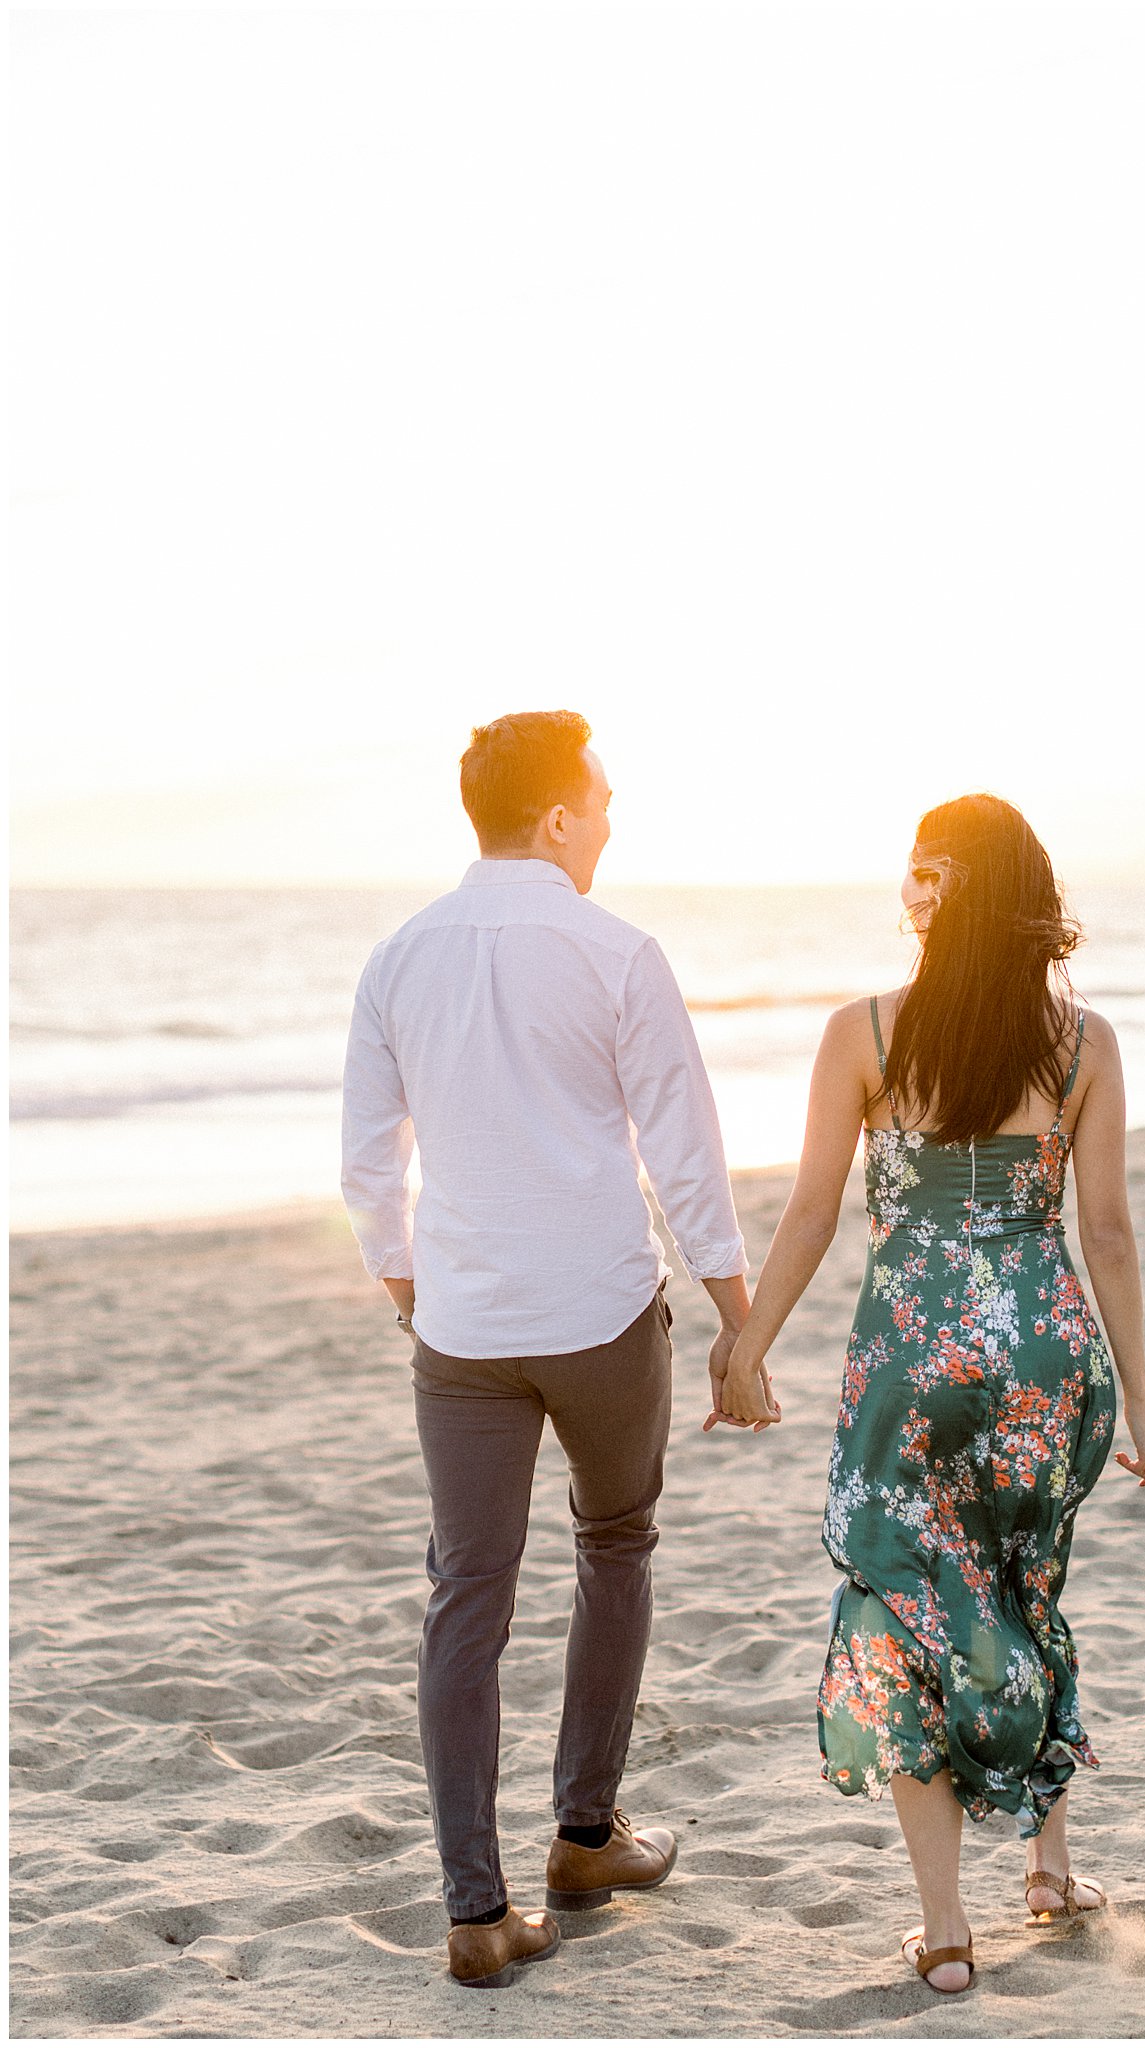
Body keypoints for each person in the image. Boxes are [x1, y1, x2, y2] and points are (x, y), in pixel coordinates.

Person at [341, 709, 776, 1990]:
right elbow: (685, 1148)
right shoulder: (618, 951)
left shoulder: (398, 954)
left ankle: (478, 1912)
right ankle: (585, 1835)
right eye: (600, 800)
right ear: (556, 819)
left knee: (465, 1596)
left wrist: (411, 1282)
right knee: (616, 1541)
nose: (608, 820)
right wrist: (738, 1316)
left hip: (463, 1329)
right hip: (597, 1311)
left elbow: (371, 1161)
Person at [717, 793, 1145, 1995]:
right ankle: (1050, 1866)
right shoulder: (1085, 1044)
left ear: (948, 891)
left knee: (906, 1601)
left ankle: (946, 1925)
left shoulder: (862, 1032)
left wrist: (749, 1342)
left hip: (913, 1362)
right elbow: (1109, 1231)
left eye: (922, 869)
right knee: (1026, 1588)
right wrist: (1144, 1396)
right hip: (1043, 1351)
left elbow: (813, 1211)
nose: (907, 888)